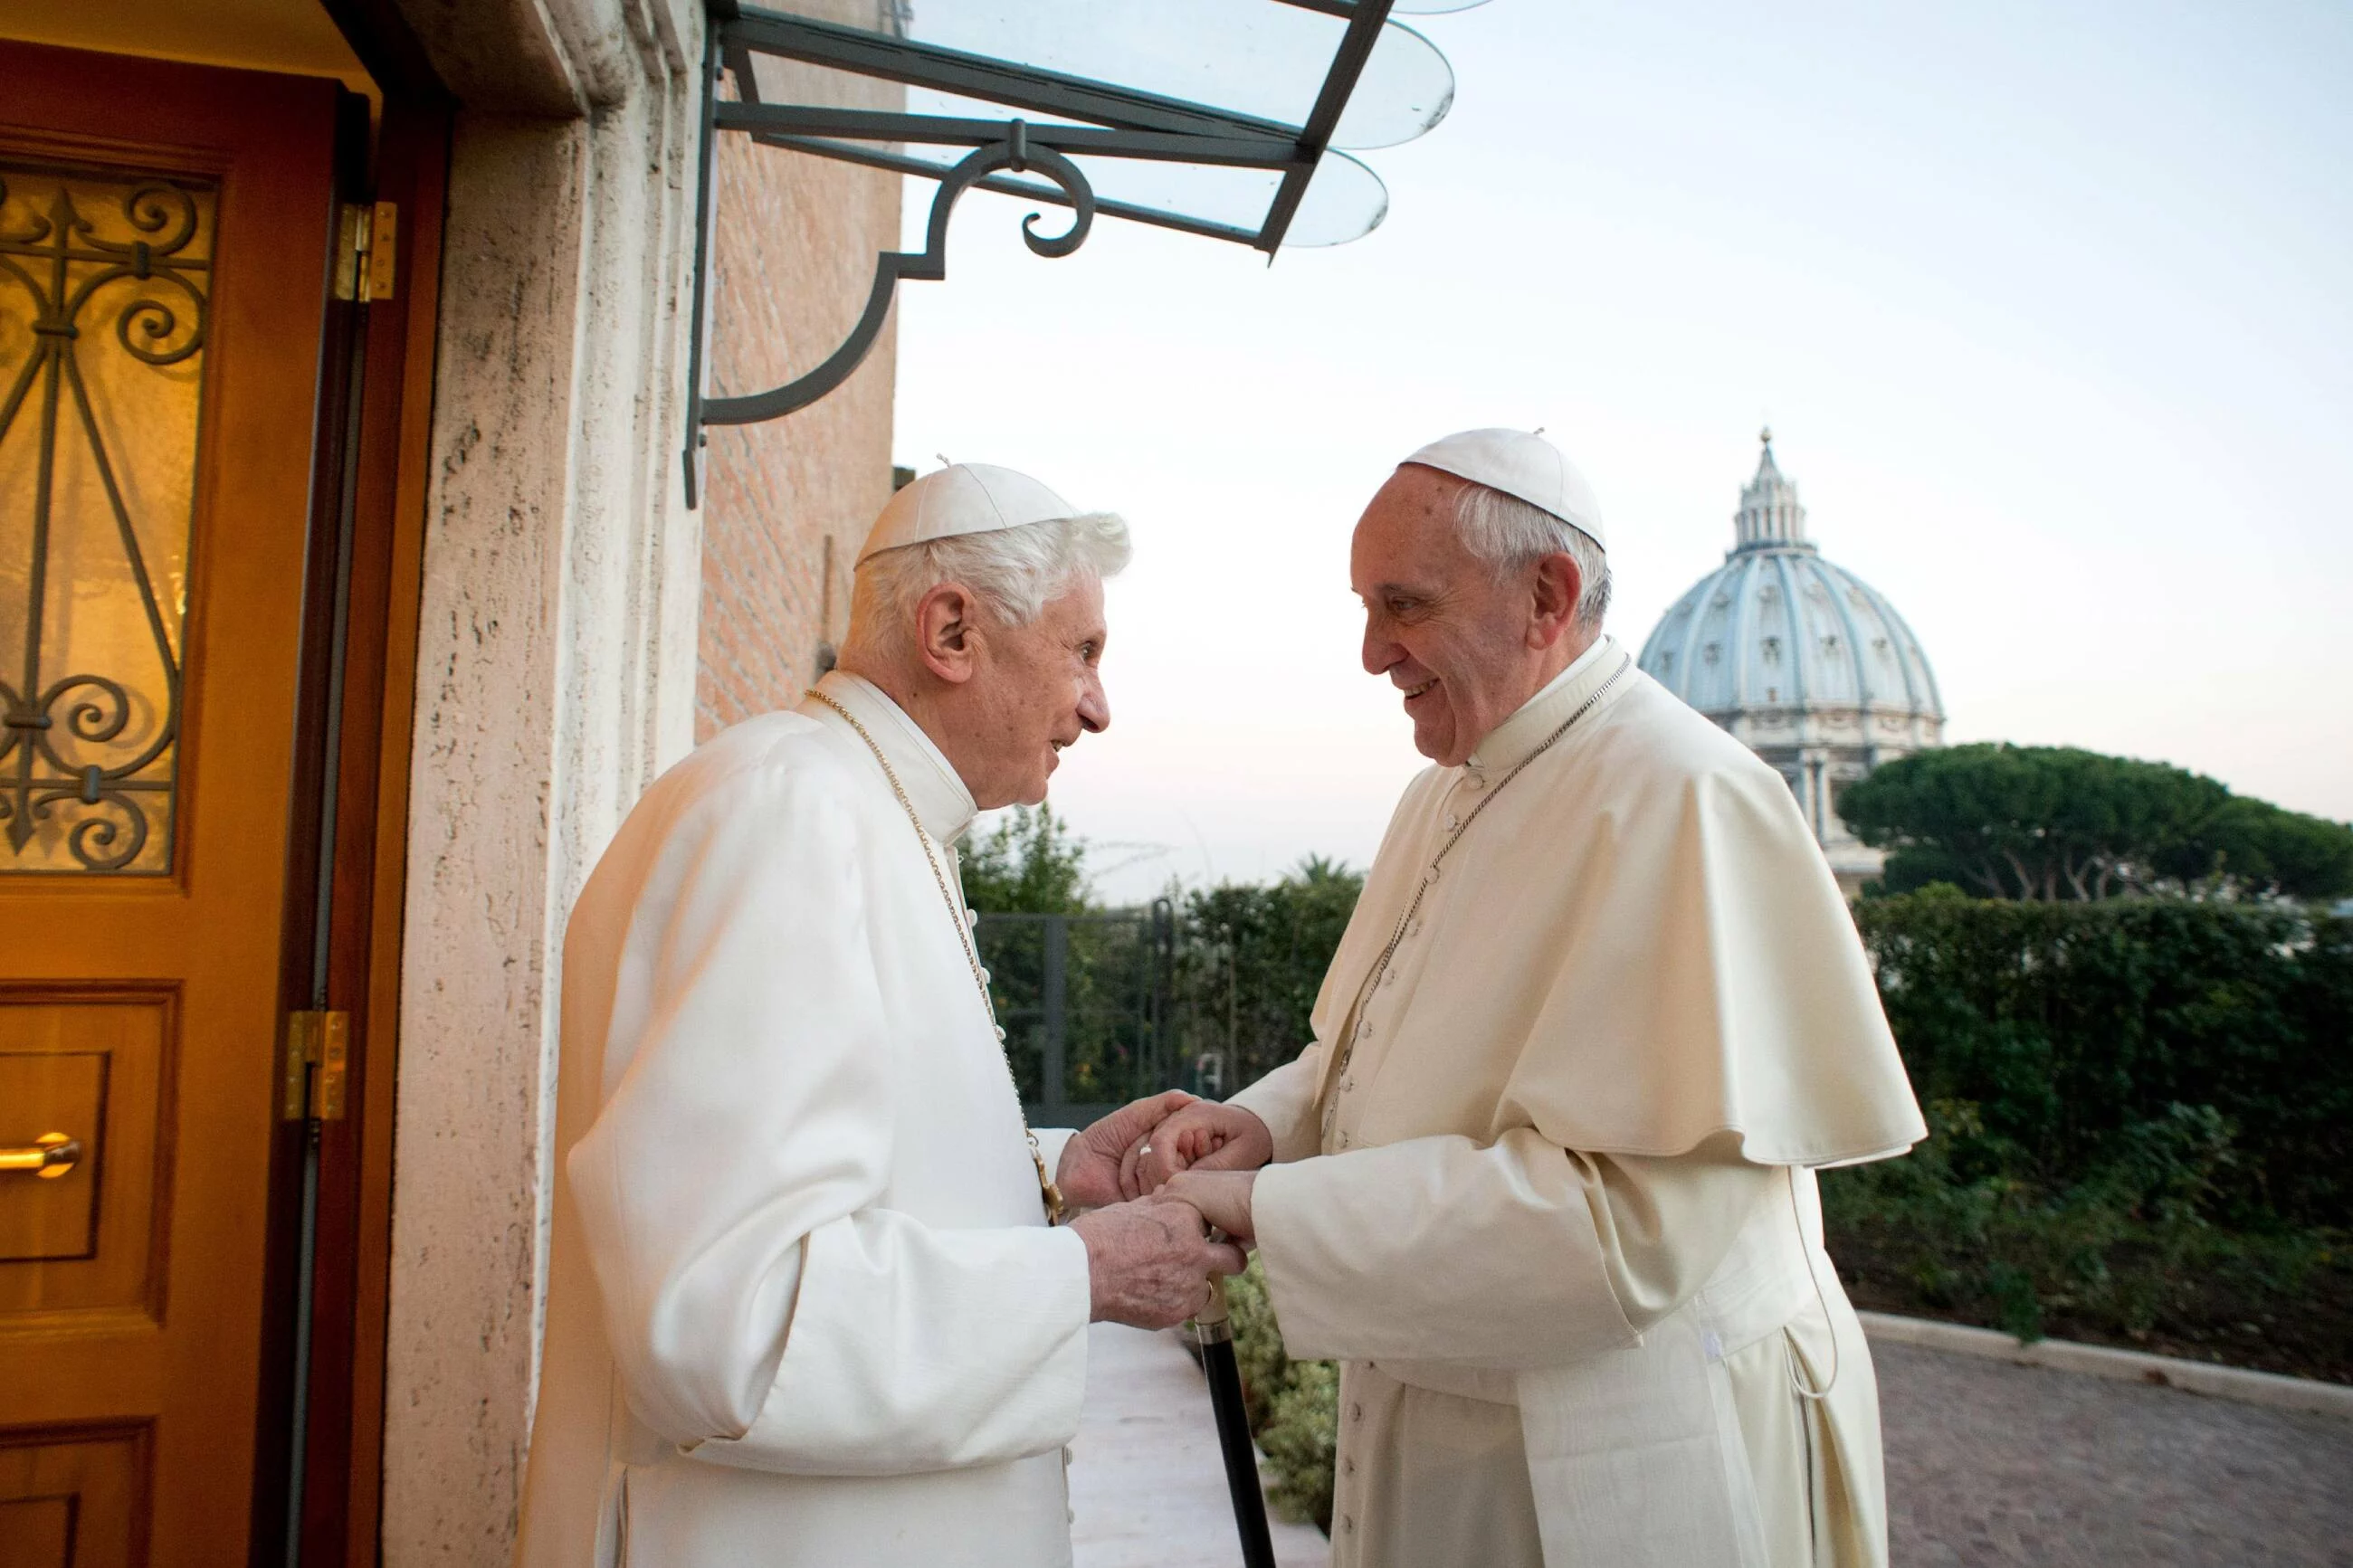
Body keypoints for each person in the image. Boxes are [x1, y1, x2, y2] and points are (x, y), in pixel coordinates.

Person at [1130, 430, 1927, 1568]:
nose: (1369, 653)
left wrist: (1270, 1207)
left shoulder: (1683, 795)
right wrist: (1264, 1125)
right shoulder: (1443, 792)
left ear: (1544, 596)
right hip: (1441, 1416)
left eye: (1400, 604)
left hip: (1615, 1455)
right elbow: (1364, 1049)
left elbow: (1627, 1230)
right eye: (1363, 607)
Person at [516, 463, 1243, 1568]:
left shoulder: (858, 807)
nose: (1097, 705)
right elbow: (730, 1323)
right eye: (1082, 650)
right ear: (951, 629)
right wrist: (1084, 1270)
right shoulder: (793, 810)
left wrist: (1052, 1186)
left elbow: (844, 1173)